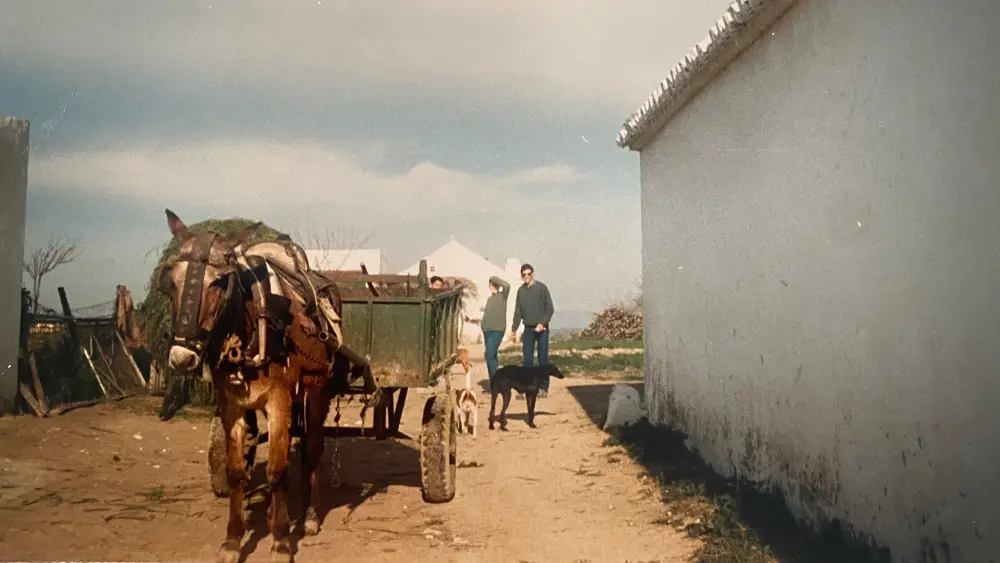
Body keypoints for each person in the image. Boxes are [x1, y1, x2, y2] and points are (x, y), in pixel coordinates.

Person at [509, 263, 555, 397]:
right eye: (524, 274)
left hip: (542, 329)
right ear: (521, 276)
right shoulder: (521, 291)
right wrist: (513, 329)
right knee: (527, 361)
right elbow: (518, 312)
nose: (526, 276)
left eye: (529, 274)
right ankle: (527, 388)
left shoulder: (541, 288)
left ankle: (543, 388)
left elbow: (549, 308)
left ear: (533, 274)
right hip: (528, 329)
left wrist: (542, 323)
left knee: (542, 360)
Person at [480, 275, 510, 385]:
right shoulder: (489, 299)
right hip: (487, 330)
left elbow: (507, 285)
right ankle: (493, 384)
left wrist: (494, 279)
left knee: (489, 354)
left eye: (491, 284)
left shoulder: (503, 296)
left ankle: (497, 382)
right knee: (491, 357)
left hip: (497, 330)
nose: (490, 286)